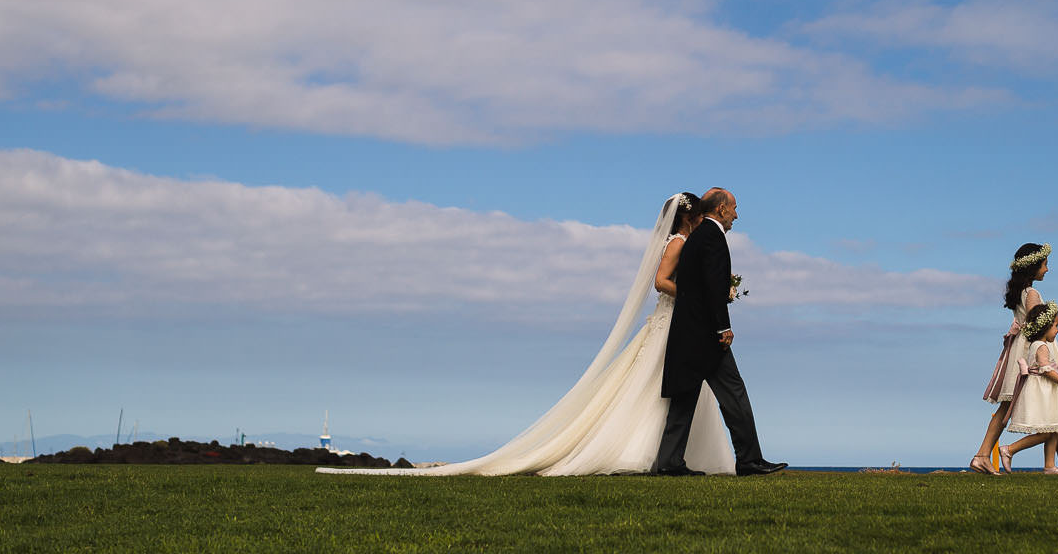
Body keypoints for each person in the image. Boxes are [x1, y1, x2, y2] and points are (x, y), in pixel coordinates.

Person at [316, 191, 737, 477]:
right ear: (688, 215)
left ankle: (674, 456)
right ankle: (649, 453)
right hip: (671, 322)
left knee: (667, 391)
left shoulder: (689, 241)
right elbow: (661, 283)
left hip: (678, 327)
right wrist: (698, 296)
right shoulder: (680, 242)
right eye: (699, 212)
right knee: (649, 391)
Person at [653, 188, 787, 477]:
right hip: (706, 335)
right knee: (734, 394)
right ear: (721, 210)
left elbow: (696, 287)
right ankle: (749, 460)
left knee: (685, 396)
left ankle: (669, 461)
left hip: (687, 332)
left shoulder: (696, 239)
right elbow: (711, 289)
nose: (736, 215)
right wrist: (723, 327)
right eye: (734, 208)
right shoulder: (712, 238)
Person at [969, 242, 1047, 474]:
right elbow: (1035, 326)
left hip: (1016, 349)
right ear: (1033, 267)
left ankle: (982, 454)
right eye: (1044, 264)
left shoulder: (1020, 293)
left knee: (1005, 407)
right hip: (1027, 352)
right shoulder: (1032, 293)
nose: (1047, 269)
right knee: (1049, 399)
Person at [997, 305, 1058, 474]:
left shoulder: (1036, 344)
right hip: (1042, 392)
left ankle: (1050, 466)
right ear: (1045, 327)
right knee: (1047, 432)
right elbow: (1046, 370)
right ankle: (1009, 449)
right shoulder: (1041, 346)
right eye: (1055, 326)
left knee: (1052, 429)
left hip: (1045, 391)